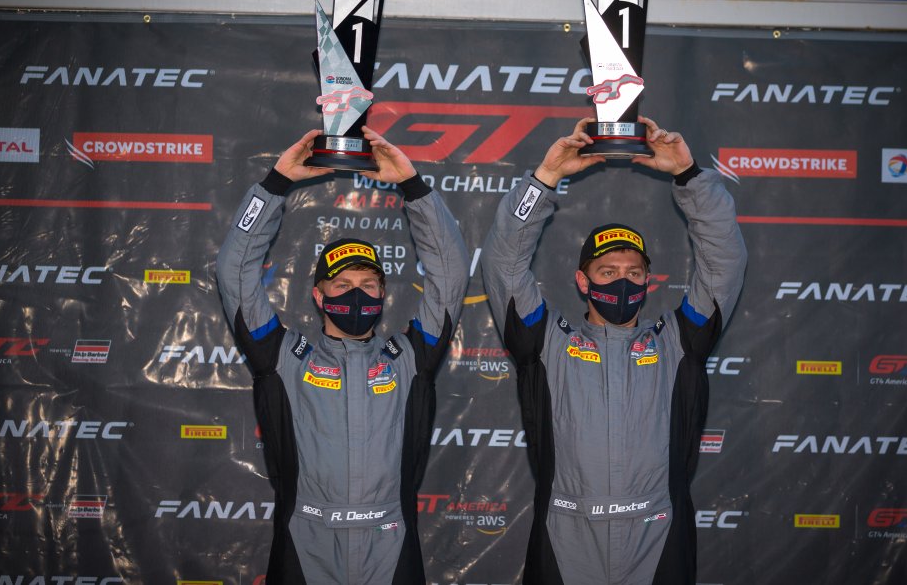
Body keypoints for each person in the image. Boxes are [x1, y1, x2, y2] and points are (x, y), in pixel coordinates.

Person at [480, 116, 747, 585]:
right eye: (607, 272)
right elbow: (504, 264)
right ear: (582, 281)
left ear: (648, 281)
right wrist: (544, 178)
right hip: (566, 534)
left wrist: (690, 176)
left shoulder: (679, 340)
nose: (622, 280)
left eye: (633, 272)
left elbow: (723, 263)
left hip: (657, 533)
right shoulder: (545, 342)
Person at [216, 127, 469, 584]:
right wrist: (274, 185)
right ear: (319, 295)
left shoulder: (409, 358)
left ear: (384, 294)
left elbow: (449, 273)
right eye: (343, 285)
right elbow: (234, 273)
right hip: (306, 541)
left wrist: (412, 186)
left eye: (369, 284)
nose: (357, 293)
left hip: (389, 541)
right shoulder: (284, 358)